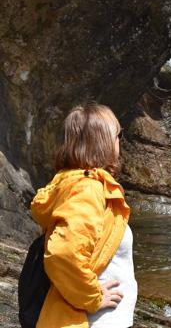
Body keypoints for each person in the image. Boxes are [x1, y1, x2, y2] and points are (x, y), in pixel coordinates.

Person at [30, 103, 136, 328]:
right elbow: (63, 253)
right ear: (103, 142)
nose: (120, 141)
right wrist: (92, 298)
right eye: (118, 135)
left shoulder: (77, 183)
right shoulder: (87, 189)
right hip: (96, 321)